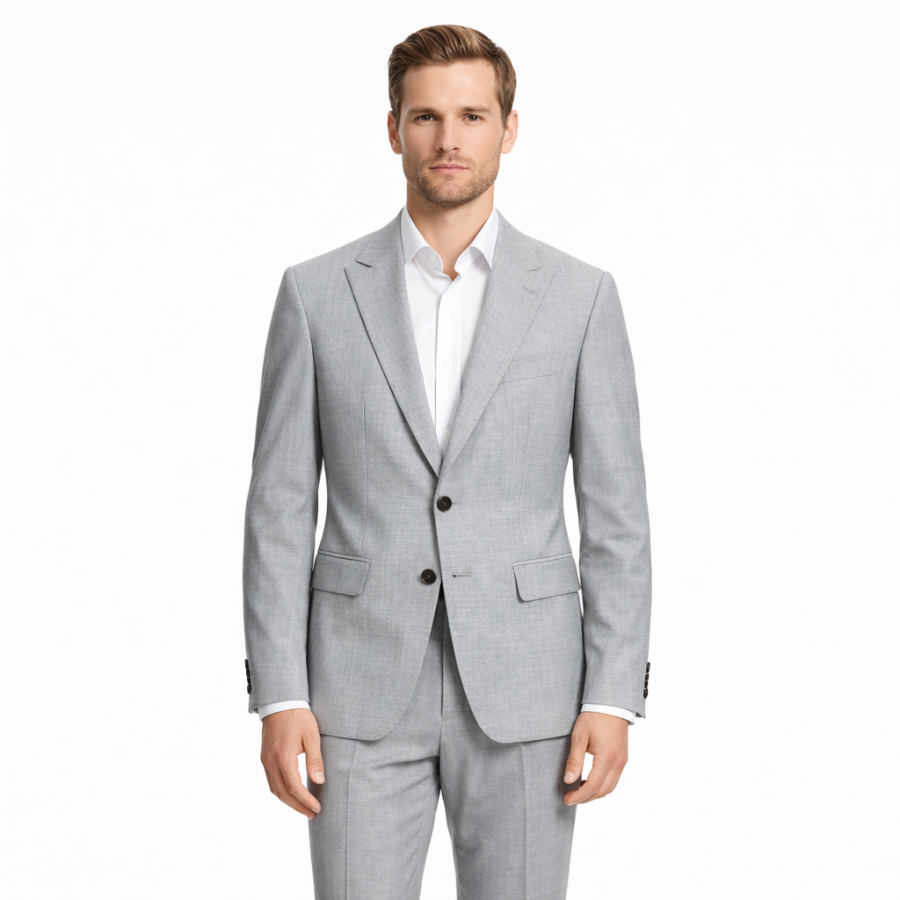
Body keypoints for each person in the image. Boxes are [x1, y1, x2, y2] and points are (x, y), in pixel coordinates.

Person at [242, 23, 652, 899]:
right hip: (353, 687)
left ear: (510, 128)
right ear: (393, 129)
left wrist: (612, 695)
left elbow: (617, 516)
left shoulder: (580, 297)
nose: (448, 139)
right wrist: (280, 693)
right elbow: (278, 509)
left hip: (529, 687)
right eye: (426, 117)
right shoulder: (315, 294)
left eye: (472, 115)